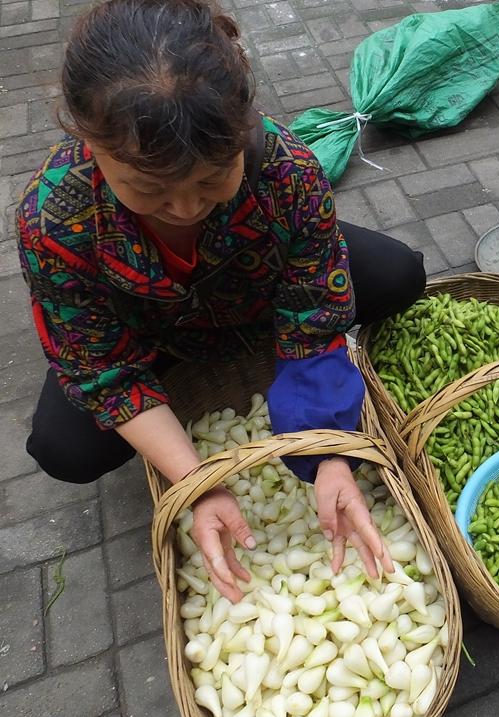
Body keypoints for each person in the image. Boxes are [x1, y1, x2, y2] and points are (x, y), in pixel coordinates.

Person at [16, 0, 422, 602]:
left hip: (255, 300)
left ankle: (254, 351)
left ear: (241, 128)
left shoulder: (287, 172)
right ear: (89, 141)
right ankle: (194, 372)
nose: (185, 208)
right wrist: (199, 483)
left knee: (398, 274)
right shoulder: (55, 219)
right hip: (150, 335)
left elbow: (314, 317)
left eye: (212, 179)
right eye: (148, 189)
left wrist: (327, 454)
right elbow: (101, 370)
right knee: (64, 449)